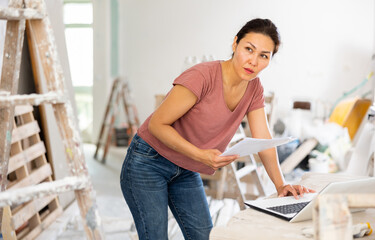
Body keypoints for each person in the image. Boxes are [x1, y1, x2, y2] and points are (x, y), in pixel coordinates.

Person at [120, 18, 314, 240]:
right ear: (235, 44)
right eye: (248, 49)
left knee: (205, 236)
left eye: (263, 56)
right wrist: (201, 155)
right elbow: (157, 124)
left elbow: (264, 140)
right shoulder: (202, 76)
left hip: (185, 168)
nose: (253, 61)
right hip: (149, 162)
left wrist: (281, 185)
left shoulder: (254, 88)